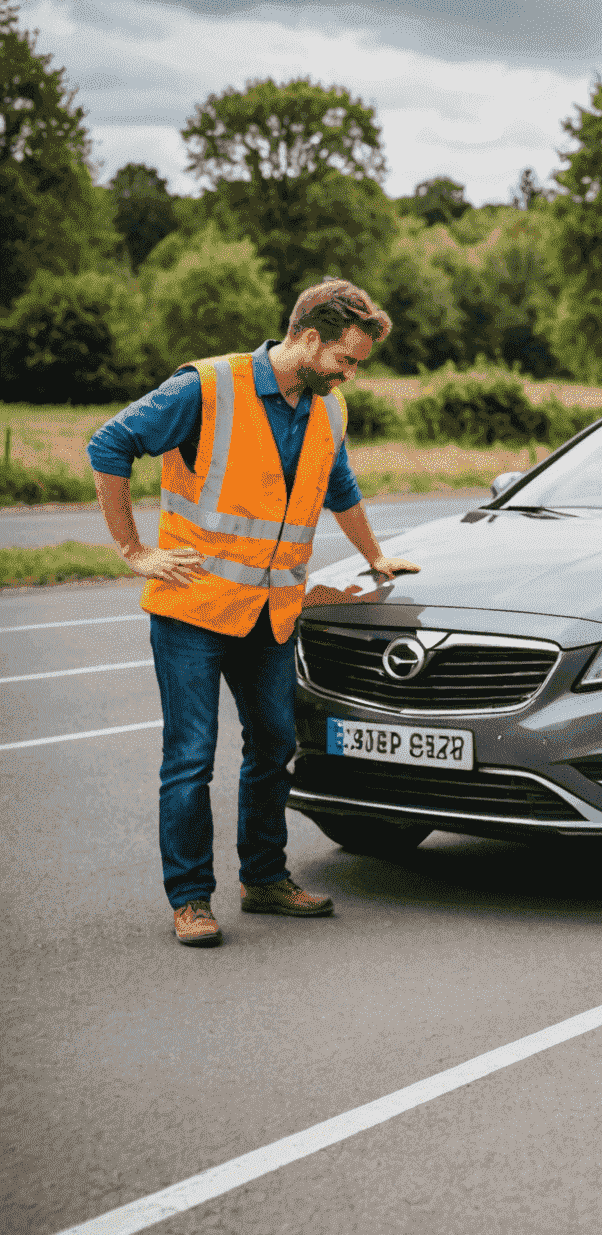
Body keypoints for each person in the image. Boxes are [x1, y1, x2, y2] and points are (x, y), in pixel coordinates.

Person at [87, 278, 421, 948]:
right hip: (193, 609)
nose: (351, 375)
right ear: (307, 338)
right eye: (345, 360)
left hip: (271, 615)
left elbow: (341, 489)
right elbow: (108, 445)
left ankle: (264, 879)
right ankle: (190, 900)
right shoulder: (205, 388)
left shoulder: (327, 410)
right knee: (190, 757)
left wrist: (376, 556)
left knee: (274, 744)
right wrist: (133, 549)